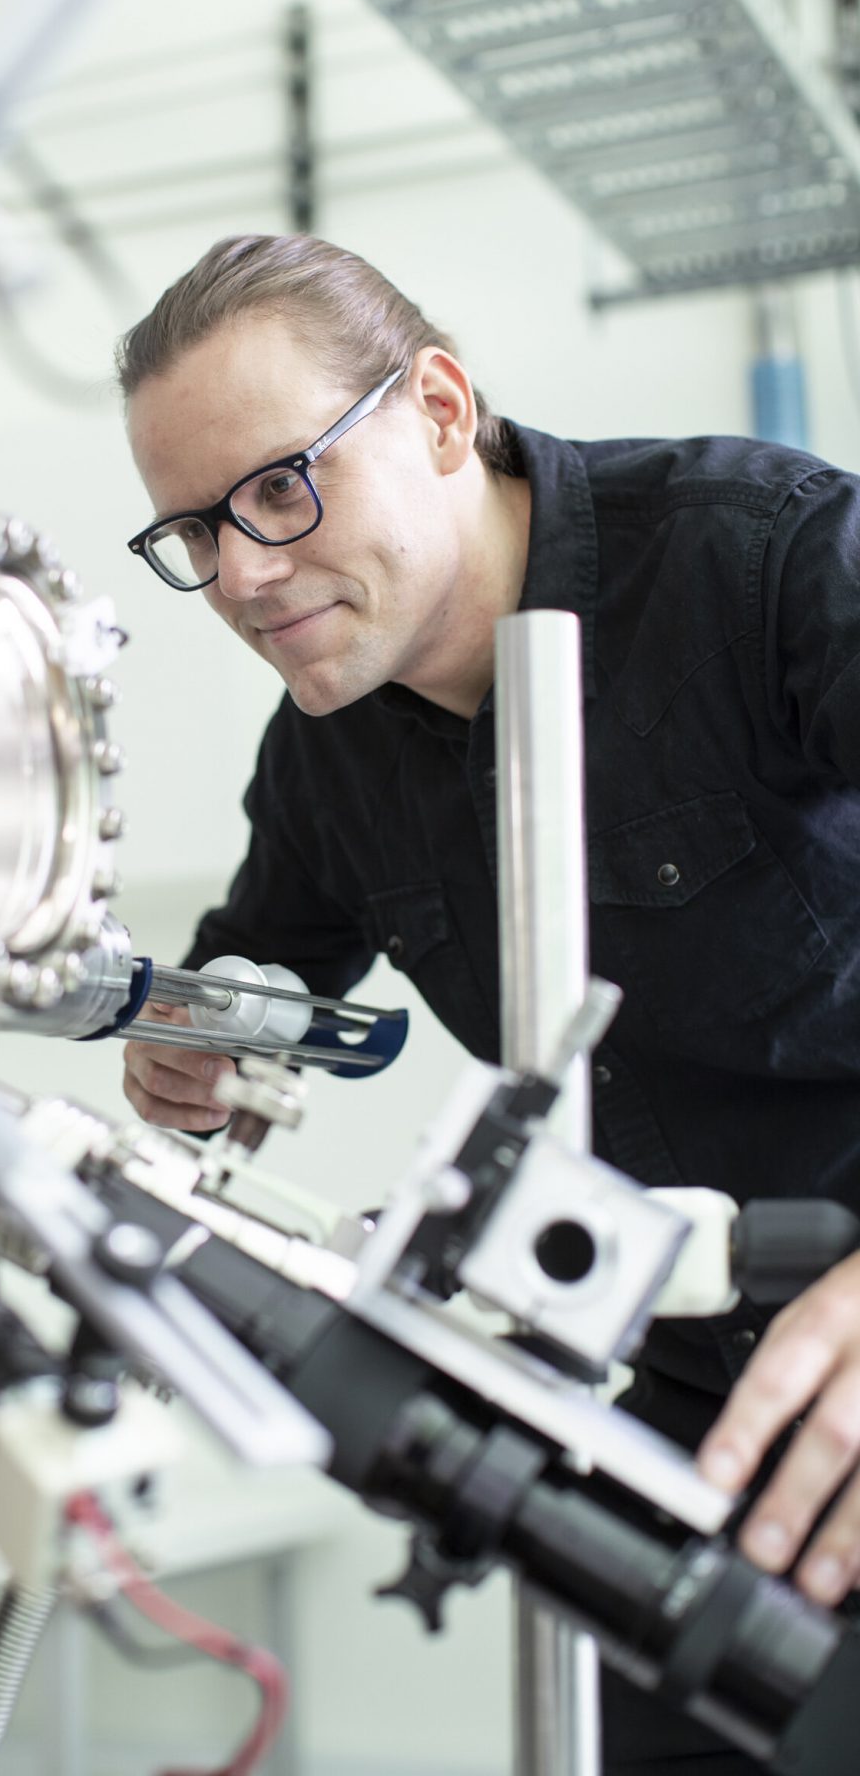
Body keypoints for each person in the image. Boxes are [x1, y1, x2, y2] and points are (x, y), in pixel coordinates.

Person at [114, 231, 860, 1772]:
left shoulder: (766, 559)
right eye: (193, 530)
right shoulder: (329, 750)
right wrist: (196, 1042)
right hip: (695, 1419)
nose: (241, 574)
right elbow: (257, 977)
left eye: (278, 487)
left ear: (442, 412)